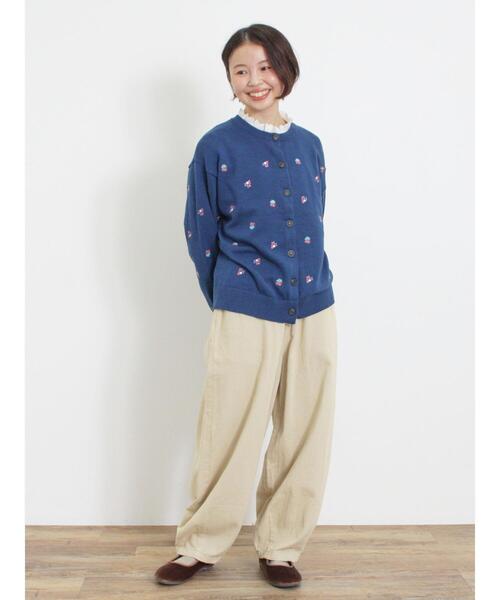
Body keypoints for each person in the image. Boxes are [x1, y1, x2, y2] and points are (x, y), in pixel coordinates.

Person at [155, 23, 338, 589]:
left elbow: (315, 218)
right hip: (245, 302)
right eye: (241, 70)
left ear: (285, 70)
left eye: (265, 66)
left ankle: (280, 547)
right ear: (230, 80)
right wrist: (228, 297)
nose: (255, 80)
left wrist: (308, 285)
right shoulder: (216, 146)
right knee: (228, 427)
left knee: (304, 430)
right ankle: (200, 545)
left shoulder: (310, 145)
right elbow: (200, 231)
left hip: (315, 303)